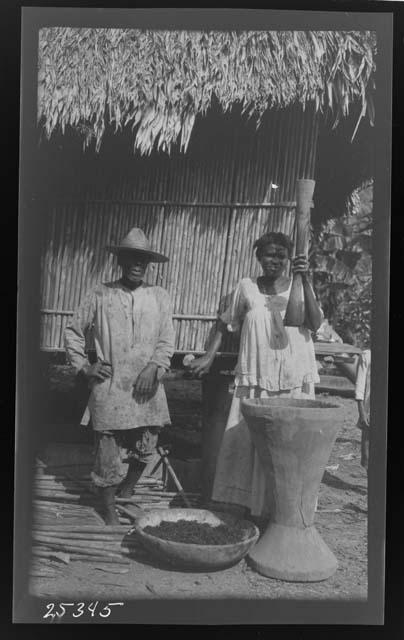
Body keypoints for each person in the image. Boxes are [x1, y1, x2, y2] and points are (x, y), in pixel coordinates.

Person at [188, 231, 323, 520]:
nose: (274, 260)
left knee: (290, 445)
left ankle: (287, 514)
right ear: (258, 257)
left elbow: (315, 322)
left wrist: (305, 280)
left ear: (289, 260)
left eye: (280, 256)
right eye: (269, 254)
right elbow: (225, 323)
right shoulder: (246, 288)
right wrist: (209, 355)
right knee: (248, 443)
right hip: (256, 378)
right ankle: (250, 510)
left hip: (293, 379)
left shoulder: (299, 286)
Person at [65, 228, 175, 524]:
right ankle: (109, 505)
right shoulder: (100, 294)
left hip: (148, 385)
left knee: (147, 443)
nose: (137, 264)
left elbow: (166, 340)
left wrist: (154, 367)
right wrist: (84, 366)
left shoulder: (159, 296)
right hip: (111, 384)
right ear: (120, 260)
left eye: (143, 259)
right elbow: (74, 332)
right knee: (108, 448)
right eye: (131, 258)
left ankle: (126, 491)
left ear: (149, 263)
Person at [355, 347, 371, 472]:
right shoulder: (367, 355)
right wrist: (362, 412)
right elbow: (360, 386)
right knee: (368, 451)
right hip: (370, 409)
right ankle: (371, 484)